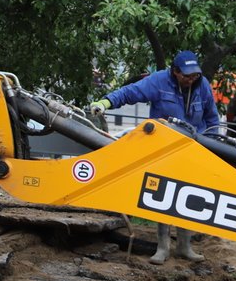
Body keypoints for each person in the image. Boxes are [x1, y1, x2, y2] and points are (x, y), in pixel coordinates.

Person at [91, 50, 221, 264]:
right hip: (164, 149)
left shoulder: (202, 85)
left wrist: (214, 144)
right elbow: (129, 93)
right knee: (165, 195)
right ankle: (163, 248)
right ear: (175, 72)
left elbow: (211, 117)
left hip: (193, 149)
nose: (191, 79)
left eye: (194, 75)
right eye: (187, 75)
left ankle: (184, 246)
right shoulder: (159, 81)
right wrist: (105, 103)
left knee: (189, 195)